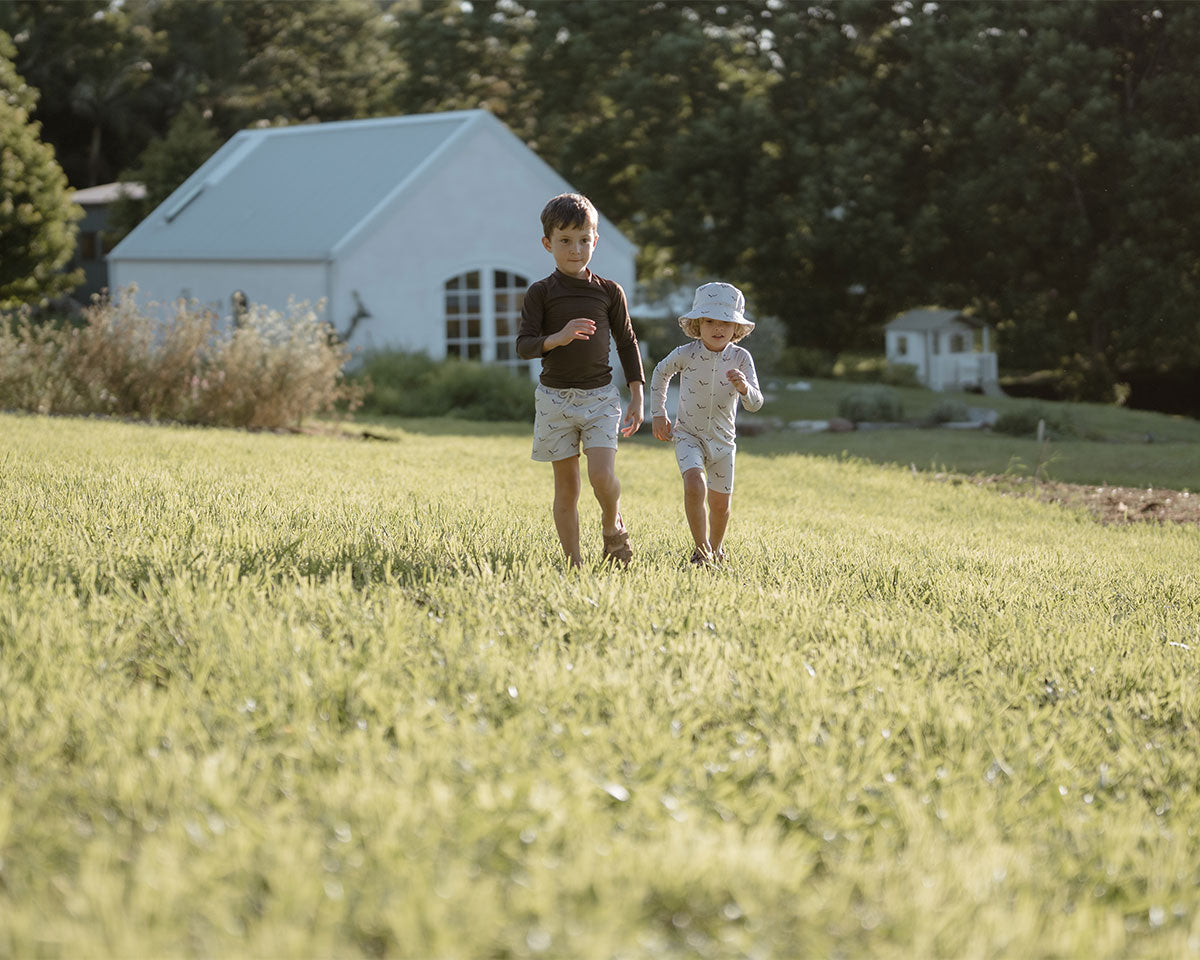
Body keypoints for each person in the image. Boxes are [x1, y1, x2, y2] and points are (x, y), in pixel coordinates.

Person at [516, 193, 644, 568]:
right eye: (566, 241)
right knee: (567, 488)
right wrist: (558, 338)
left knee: (602, 475)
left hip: (600, 398)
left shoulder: (609, 292)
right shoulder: (541, 293)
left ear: (596, 241)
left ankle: (611, 523)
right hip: (554, 400)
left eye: (584, 240)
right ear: (548, 244)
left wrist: (637, 396)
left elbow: (627, 342)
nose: (576, 250)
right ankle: (574, 563)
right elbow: (524, 345)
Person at [651, 281, 763, 565]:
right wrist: (659, 413)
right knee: (693, 484)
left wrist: (744, 388)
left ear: (736, 328)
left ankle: (716, 548)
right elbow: (660, 373)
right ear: (697, 324)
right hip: (689, 435)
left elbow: (755, 403)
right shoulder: (686, 354)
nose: (717, 328)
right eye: (710, 321)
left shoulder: (740, 358)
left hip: (724, 443)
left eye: (725, 322)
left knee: (720, 505)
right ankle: (701, 551)